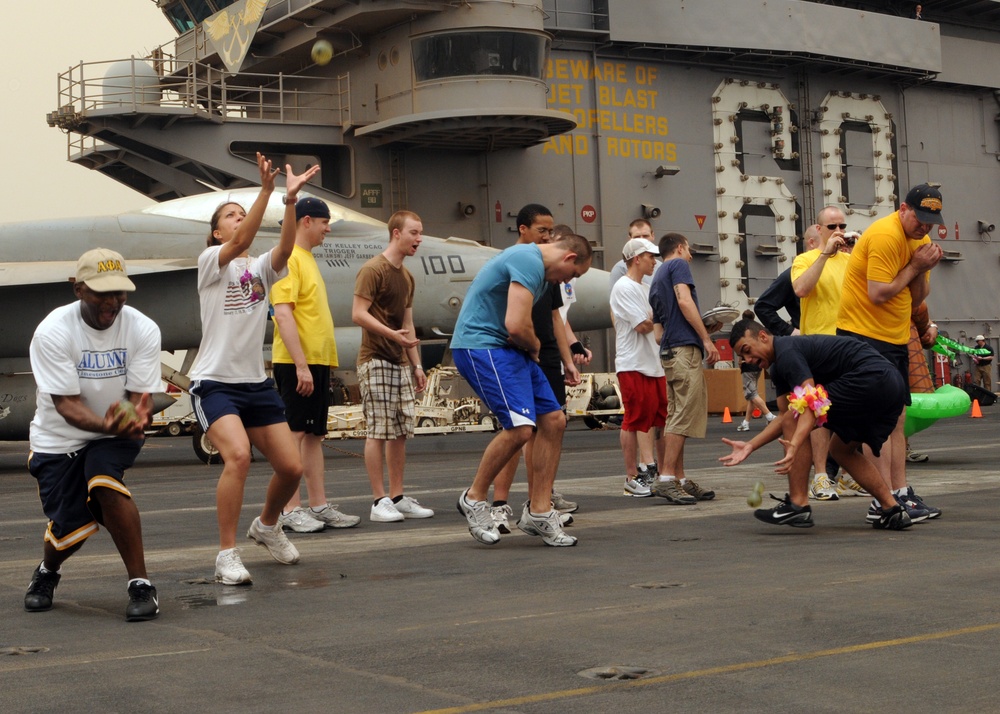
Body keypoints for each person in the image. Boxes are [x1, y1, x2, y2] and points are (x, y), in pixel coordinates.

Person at [190, 153, 319, 585]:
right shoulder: (211, 263)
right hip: (215, 383)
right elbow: (243, 242)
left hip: (255, 382)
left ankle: (266, 525)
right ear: (216, 231)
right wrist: (264, 190)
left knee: (291, 468)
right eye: (231, 215)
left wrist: (289, 201)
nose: (239, 219)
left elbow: (283, 249)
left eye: (242, 214)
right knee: (239, 457)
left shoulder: (259, 269)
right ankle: (227, 554)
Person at [24, 248, 162, 621]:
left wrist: (136, 415)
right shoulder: (53, 331)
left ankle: (141, 585)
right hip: (59, 438)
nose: (113, 302)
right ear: (78, 289)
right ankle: (47, 571)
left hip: (113, 436)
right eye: (103, 292)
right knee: (71, 527)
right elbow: (67, 406)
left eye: (120, 292)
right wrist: (111, 423)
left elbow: (140, 396)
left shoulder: (143, 327)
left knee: (103, 483)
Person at [453, 232, 593, 546]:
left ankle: (540, 511)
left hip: (511, 350)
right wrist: (534, 345)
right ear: (569, 258)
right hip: (482, 347)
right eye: (573, 274)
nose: (566, 281)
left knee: (554, 420)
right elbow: (516, 325)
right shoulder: (527, 260)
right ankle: (474, 498)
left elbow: (525, 325)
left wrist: (543, 350)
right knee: (520, 429)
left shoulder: (543, 273)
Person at [720, 318, 913, 531]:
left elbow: (810, 401)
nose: (748, 360)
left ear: (763, 336)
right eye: (742, 356)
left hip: (873, 378)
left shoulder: (786, 352)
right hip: (890, 386)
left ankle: (798, 504)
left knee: (800, 415)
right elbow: (786, 416)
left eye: (747, 350)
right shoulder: (780, 366)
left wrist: (795, 443)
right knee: (840, 450)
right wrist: (750, 446)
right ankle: (892, 509)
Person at [836, 183, 945, 523]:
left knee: (897, 417)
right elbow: (879, 293)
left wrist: (923, 268)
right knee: (878, 421)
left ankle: (900, 493)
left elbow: (915, 299)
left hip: (894, 337)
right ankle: (882, 499)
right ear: (903, 209)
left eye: (930, 220)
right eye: (919, 218)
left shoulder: (921, 242)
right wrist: (914, 266)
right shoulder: (886, 235)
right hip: (863, 335)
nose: (924, 226)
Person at [488, 208, 582, 534]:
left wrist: (568, 359)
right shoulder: (514, 262)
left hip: (547, 354)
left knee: (550, 426)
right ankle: (498, 505)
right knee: (516, 429)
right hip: (516, 352)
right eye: (542, 230)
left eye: (550, 230)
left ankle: (538, 505)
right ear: (523, 229)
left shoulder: (549, 269)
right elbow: (509, 317)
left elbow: (557, 318)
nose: (547, 235)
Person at [271, 197, 360, 533]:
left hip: (315, 361)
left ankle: (318, 505)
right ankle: (288, 509)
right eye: (325, 222)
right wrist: (301, 366)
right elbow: (282, 313)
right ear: (306, 221)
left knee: (312, 435)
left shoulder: (306, 258)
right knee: (294, 434)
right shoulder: (288, 259)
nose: (329, 228)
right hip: (299, 362)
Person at [351, 210, 434, 523]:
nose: (419, 239)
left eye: (420, 232)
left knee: (400, 431)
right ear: (396, 233)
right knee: (378, 430)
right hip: (375, 359)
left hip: (399, 362)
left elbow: (408, 324)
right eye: (414, 232)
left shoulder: (407, 277)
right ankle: (378, 500)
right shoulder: (373, 269)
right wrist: (390, 335)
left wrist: (417, 365)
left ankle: (397, 497)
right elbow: (358, 313)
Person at [648, 232, 719, 504]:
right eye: (688, 250)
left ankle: (679, 478)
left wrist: (698, 328)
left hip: (668, 350)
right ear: (679, 248)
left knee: (676, 414)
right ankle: (667, 478)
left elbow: (657, 333)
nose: (690, 256)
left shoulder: (655, 279)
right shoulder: (678, 266)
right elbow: (684, 299)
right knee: (684, 413)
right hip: (685, 351)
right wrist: (705, 337)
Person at [791, 208, 854, 500]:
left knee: (853, 409)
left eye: (843, 224)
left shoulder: (851, 260)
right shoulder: (805, 259)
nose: (838, 229)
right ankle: (820, 475)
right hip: (817, 344)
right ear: (819, 228)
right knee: (818, 413)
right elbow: (802, 289)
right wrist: (825, 254)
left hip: (848, 344)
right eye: (832, 225)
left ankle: (845, 474)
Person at [610, 237, 667, 497]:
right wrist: (660, 316)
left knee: (656, 418)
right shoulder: (623, 287)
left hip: (652, 362)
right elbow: (643, 326)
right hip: (633, 362)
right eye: (650, 257)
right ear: (637, 259)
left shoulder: (645, 287)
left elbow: (650, 321)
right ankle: (633, 476)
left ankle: (654, 471)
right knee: (635, 418)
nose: (654, 261)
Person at [736, 309, 776, 433]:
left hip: (747, 367)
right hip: (758, 366)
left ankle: (770, 416)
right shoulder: (756, 329)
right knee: (751, 395)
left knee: (751, 394)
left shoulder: (742, 332)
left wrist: (740, 361)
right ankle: (746, 422)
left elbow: (741, 351)